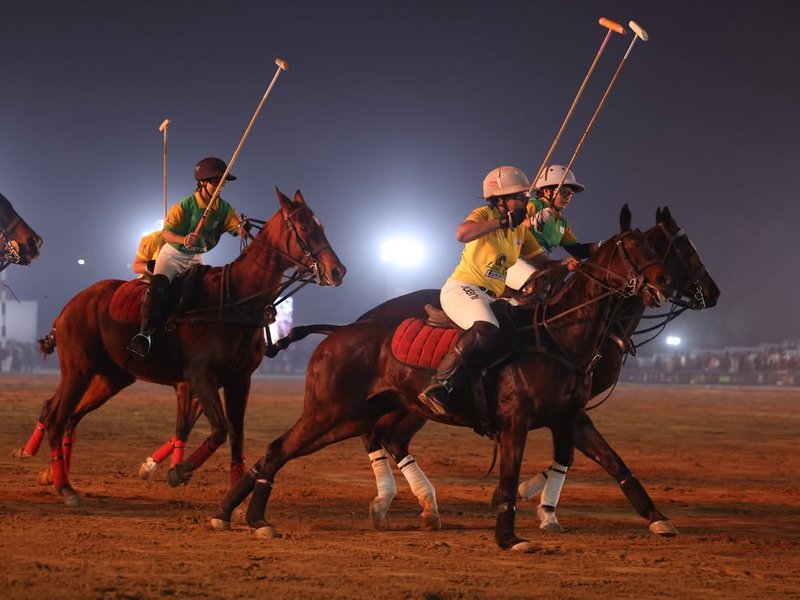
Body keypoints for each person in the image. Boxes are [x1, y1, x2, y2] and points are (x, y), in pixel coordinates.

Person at [417, 166, 577, 416]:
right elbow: (461, 233)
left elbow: (542, 263)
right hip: (462, 288)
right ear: (501, 198)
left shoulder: (520, 230)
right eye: (520, 196)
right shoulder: (484, 214)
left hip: (491, 296)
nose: (525, 200)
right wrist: (502, 222)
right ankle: (438, 385)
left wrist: (564, 265)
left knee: (512, 335)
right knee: (487, 327)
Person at [127, 157, 245, 358]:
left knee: (205, 291)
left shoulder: (225, 209)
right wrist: (184, 239)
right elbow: (166, 234)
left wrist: (243, 228)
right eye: (216, 182)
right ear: (202, 182)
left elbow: (237, 227)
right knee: (159, 287)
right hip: (173, 255)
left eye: (222, 182)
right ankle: (144, 335)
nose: (220, 186)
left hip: (196, 257)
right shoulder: (185, 205)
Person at [526, 164, 599, 259]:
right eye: (564, 192)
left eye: (570, 194)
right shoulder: (533, 205)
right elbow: (511, 229)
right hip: (518, 259)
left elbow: (577, 250)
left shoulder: (561, 222)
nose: (567, 197)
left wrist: (601, 246)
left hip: (540, 263)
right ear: (547, 191)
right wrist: (532, 221)